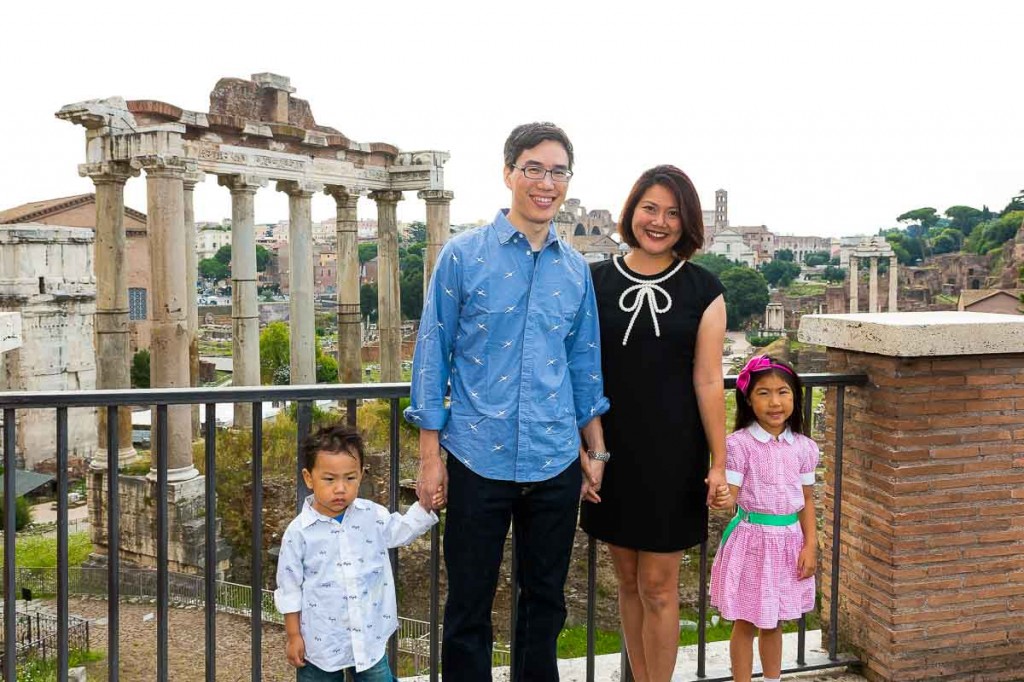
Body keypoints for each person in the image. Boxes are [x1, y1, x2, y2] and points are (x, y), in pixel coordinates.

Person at [404, 122, 610, 681]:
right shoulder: (463, 257)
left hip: (554, 459)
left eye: (558, 171)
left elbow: (583, 366)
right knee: (468, 607)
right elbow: (432, 357)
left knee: (545, 605)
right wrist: (430, 458)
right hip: (476, 458)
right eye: (534, 169)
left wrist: (596, 452)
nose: (547, 182)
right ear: (508, 174)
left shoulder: (574, 271)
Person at [579, 165, 730, 681]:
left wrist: (719, 463)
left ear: (686, 222)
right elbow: (580, 371)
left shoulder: (703, 288)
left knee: (661, 586)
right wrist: (588, 449)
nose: (659, 221)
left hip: (673, 454)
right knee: (626, 581)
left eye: (672, 212)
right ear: (631, 211)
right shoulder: (592, 280)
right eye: (650, 208)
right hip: (611, 451)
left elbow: (709, 381)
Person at [274, 424, 439, 681]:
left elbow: (401, 530)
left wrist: (426, 505)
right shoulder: (299, 533)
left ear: (361, 475)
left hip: (368, 634)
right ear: (309, 478)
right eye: (329, 479)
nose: (340, 488)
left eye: (350, 478)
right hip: (320, 641)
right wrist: (293, 635)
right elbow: (289, 588)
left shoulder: (371, 515)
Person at [709, 355, 818, 682]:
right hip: (752, 543)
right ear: (748, 399)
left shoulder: (803, 448)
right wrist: (721, 497)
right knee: (746, 619)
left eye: (783, 392)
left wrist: (810, 545)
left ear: (795, 397)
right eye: (764, 393)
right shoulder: (739, 445)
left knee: (775, 620)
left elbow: (807, 501)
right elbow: (730, 493)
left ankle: (773, 679)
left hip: (789, 545)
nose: (775, 402)